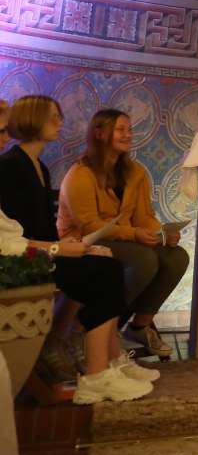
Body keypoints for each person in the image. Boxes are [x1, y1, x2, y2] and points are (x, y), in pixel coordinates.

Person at [0, 96, 155, 404]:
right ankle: (96, 376)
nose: (60, 123)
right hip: (22, 259)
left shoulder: (38, 165)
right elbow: (14, 234)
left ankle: (110, 364)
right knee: (104, 273)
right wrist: (61, 249)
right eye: (53, 117)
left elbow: (40, 226)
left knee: (105, 264)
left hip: (41, 250)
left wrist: (75, 248)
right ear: (33, 120)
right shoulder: (11, 165)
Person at [57, 108, 188, 361]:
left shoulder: (135, 172)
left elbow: (143, 216)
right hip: (83, 244)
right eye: (121, 129)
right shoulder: (80, 174)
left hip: (123, 239)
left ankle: (140, 325)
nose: (128, 135)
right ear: (100, 133)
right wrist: (135, 234)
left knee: (176, 256)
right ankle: (98, 325)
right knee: (144, 260)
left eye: (129, 130)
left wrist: (162, 234)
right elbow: (89, 226)